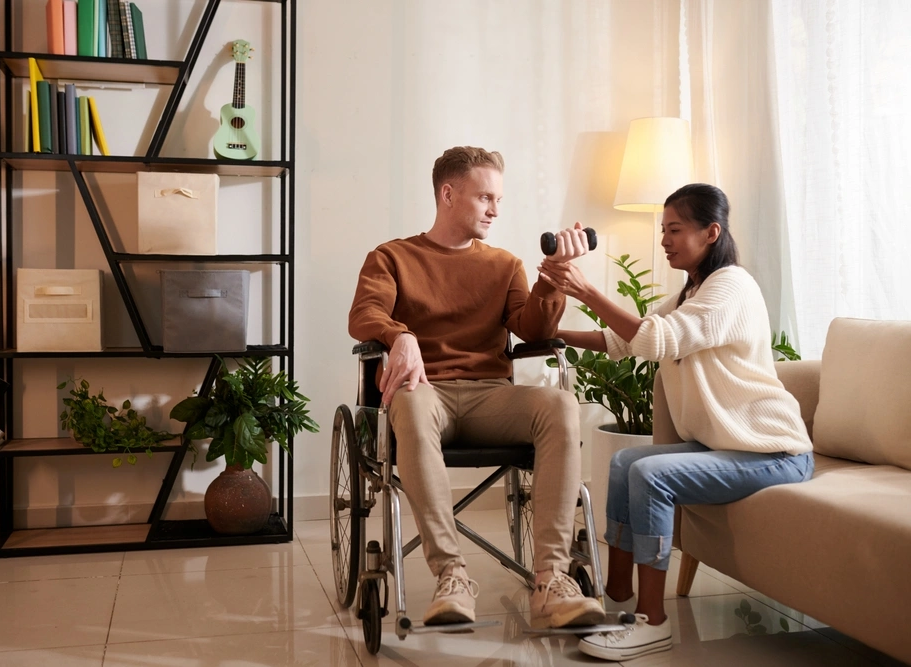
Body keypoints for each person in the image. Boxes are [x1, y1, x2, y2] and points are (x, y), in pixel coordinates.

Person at [537, 183, 814, 660]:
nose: (664, 240)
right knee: (626, 461)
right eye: (662, 230)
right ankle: (619, 597)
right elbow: (622, 341)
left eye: (675, 230)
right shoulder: (694, 289)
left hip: (773, 453)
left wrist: (588, 291)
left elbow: (655, 341)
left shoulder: (731, 285)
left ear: (711, 232)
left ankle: (652, 620)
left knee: (648, 471)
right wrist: (552, 334)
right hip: (726, 447)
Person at [348, 146, 606, 629]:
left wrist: (550, 279)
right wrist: (399, 335)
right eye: (485, 197)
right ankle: (451, 575)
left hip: (491, 395)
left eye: (499, 199)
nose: (495, 209)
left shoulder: (504, 264)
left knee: (560, 405)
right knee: (407, 399)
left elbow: (532, 329)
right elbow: (364, 315)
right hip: (426, 395)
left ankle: (550, 578)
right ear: (448, 194)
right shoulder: (392, 257)